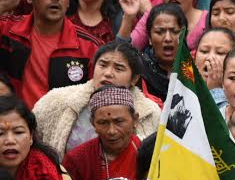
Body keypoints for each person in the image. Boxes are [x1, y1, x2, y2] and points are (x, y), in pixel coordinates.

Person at [33, 39, 161, 155]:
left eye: (119, 68)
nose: (108, 73)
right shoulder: (56, 101)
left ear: (134, 78)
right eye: (103, 65)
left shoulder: (150, 112)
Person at [0, 0, 102, 107]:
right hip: (13, 119)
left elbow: (99, 99)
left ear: (68, 0)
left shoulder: (89, 46)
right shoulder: (7, 29)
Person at [63, 88, 142, 180]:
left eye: (119, 121)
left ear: (135, 120)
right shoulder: (77, 159)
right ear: (93, 123)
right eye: (103, 123)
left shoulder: (146, 154)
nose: (111, 131)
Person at [139, 3, 187, 101]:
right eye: (160, 32)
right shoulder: (139, 71)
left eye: (175, 31)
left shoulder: (193, 70)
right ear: (149, 38)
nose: (168, 38)